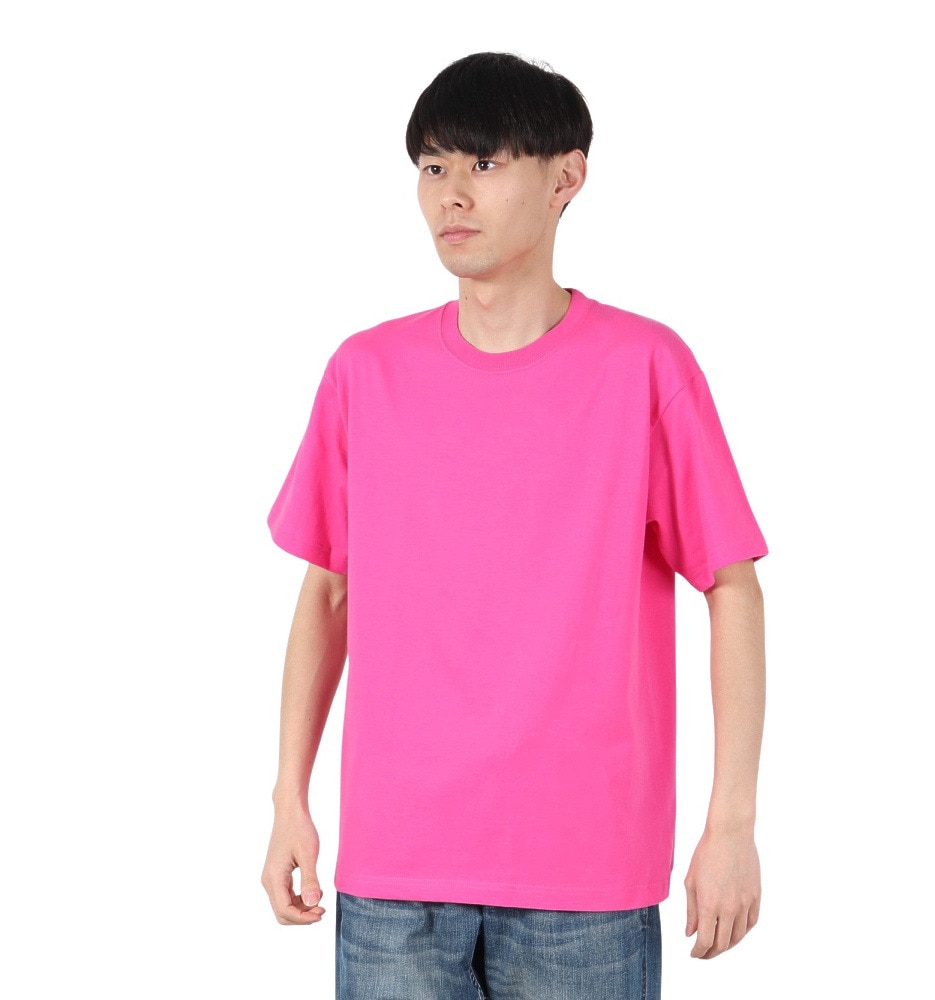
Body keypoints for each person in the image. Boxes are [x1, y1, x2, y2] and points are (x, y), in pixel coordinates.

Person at [261, 51, 767, 1000]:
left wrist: (731, 824)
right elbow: (327, 590)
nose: (452, 194)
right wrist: (289, 797)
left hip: (586, 880)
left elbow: (731, 583)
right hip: (393, 878)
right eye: (434, 166)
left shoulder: (644, 368)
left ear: (566, 177)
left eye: (485, 164)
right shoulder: (364, 374)